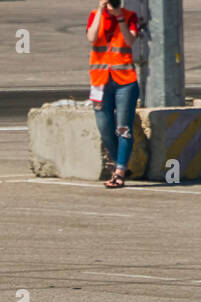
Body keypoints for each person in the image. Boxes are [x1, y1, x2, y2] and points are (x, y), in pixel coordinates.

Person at [87, 0, 140, 189]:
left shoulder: (129, 16)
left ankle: (119, 171)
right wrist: (101, 11)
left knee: (123, 128)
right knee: (104, 127)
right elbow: (92, 38)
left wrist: (119, 16)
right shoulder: (95, 15)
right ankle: (121, 164)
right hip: (100, 80)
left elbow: (129, 41)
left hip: (125, 80)